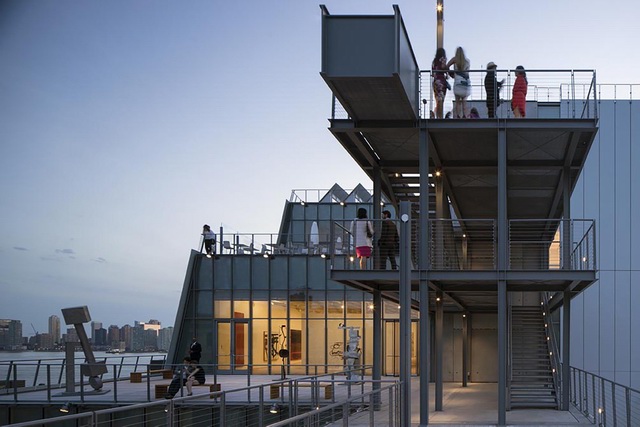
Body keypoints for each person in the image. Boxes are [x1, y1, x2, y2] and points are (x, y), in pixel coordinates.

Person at [447, 47, 471, 118]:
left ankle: (458, 116)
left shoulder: (455, 59)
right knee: (464, 102)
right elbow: (467, 74)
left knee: (457, 102)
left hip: (457, 82)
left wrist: (451, 73)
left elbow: (447, 66)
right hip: (465, 82)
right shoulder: (467, 61)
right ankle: (465, 115)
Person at [431, 48, 448, 119]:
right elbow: (444, 68)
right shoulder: (443, 59)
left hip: (435, 81)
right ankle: (440, 116)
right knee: (441, 99)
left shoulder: (434, 61)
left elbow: (433, 73)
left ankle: (438, 116)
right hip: (441, 80)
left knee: (437, 100)